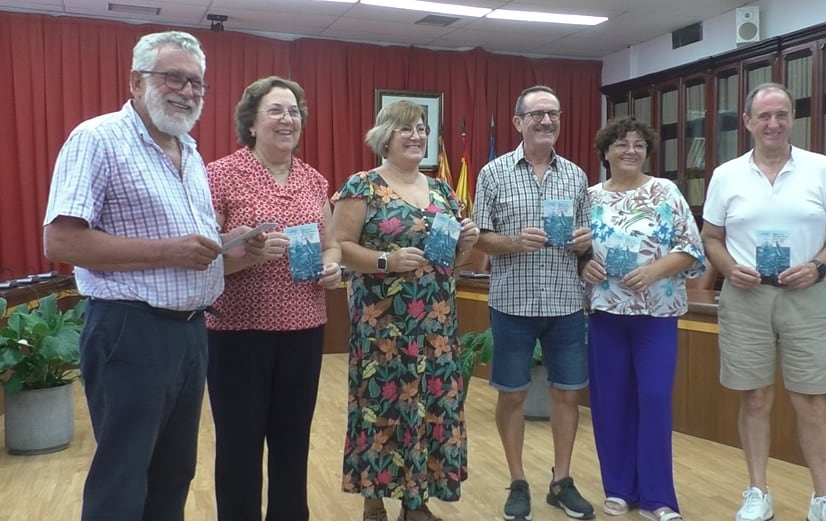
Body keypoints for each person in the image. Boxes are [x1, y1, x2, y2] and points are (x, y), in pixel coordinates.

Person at [42, 31, 265, 521]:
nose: (187, 91)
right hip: (129, 331)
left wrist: (238, 251)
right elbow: (60, 242)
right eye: (174, 77)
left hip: (191, 333)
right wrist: (169, 250)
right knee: (123, 477)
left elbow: (193, 258)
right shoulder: (97, 139)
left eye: (197, 83)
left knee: (173, 475)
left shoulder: (190, 152)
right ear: (135, 82)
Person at [700, 82, 826, 521]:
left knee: (812, 399)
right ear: (747, 122)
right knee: (755, 398)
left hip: (807, 295)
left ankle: (824, 497)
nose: (773, 124)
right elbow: (711, 237)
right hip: (745, 297)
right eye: (764, 116)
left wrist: (819, 267)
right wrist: (728, 268)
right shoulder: (726, 175)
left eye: (781, 115)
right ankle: (757, 492)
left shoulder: (821, 169)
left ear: (792, 119)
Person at [332, 100, 478, 521]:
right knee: (383, 408)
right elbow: (340, 246)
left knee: (430, 408)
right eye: (406, 129)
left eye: (421, 128)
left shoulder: (443, 191)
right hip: (383, 328)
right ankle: (374, 498)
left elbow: (456, 261)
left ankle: (417, 501)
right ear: (385, 136)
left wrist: (466, 241)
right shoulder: (363, 186)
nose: (416, 136)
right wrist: (386, 262)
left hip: (435, 328)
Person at [205, 76, 343, 521]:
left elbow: (331, 243)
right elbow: (205, 258)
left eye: (294, 111)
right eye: (277, 111)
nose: (288, 119)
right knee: (239, 444)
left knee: (292, 441)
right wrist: (248, 253)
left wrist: (333, 266)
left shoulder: (314, 180)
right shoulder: (220, 174)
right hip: (236, 331)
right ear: (251, 123)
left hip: (304, 327)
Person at [472, 85, 595, 521]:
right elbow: (479, 239)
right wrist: (512, 241)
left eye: (554, 114)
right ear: (518, 122)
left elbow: (586, 247)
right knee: (512, 395)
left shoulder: (578, 176)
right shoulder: (493, 173)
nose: (547, 121)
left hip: (565, 304)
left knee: (567, 395)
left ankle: (560, 482)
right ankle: (518, 480)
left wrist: (585, 241)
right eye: (538, 114)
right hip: (512, 305)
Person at [579, 117, 705, 521]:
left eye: (638, 144)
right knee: (610, 401)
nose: (630, 150)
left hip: (656, 313)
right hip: (605, 312)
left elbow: (692, 249)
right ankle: (618, 488)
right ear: (605, 152)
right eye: (620, 144)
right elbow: (574, 247)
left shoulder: (665, 192)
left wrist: (655, 270)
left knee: (653, 397)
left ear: (648, 151)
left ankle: (658, 497)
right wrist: (584, 264)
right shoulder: (590, 196)